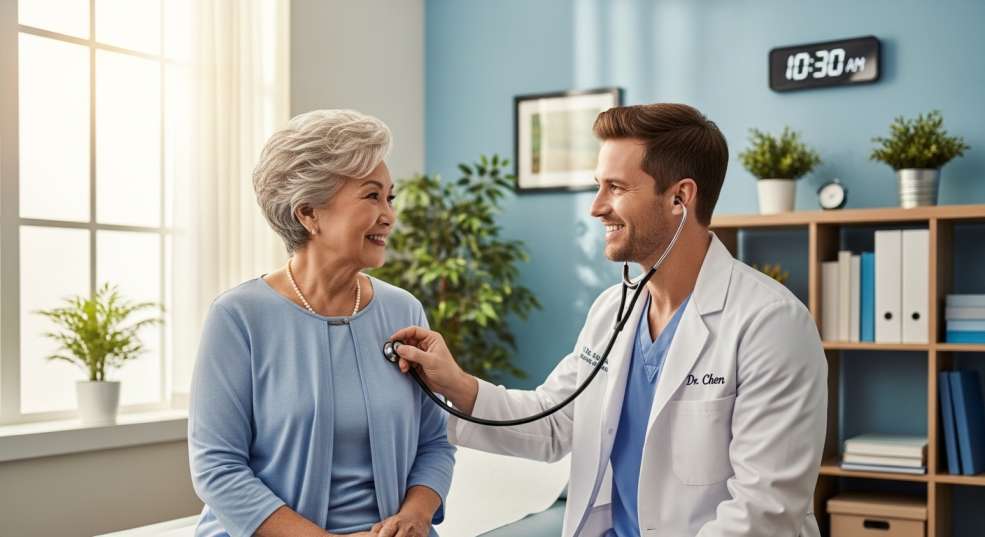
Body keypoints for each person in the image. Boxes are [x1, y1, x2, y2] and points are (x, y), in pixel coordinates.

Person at [391, 103, 827, 537]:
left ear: (681, 197)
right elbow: (555, 422)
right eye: (598, 186)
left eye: (616, 188)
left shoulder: (770, 324)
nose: (597, 208)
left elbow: (763, 511)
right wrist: (455, 384)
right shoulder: (612, 310)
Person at [188, 109, 455, 537]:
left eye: (391, 197)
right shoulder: (238, 318)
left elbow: (435, 444)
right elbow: (217, 467)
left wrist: (415, 516)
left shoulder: (403, 311)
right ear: (308, 214)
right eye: (371, 196)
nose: (389, 214)